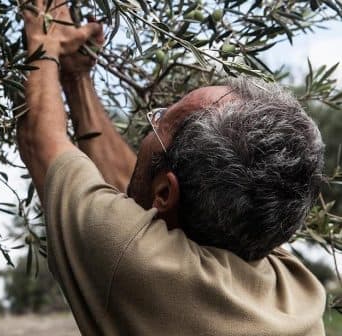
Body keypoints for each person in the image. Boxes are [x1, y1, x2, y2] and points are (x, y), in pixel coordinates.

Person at [18, 0, 327, 335]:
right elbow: (142, 191)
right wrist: (78, 79)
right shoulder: (293, 286)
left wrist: (43, 39)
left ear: (165, 193)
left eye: (160, 121)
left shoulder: (137, 266)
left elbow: (40, 140)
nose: (153, 123)